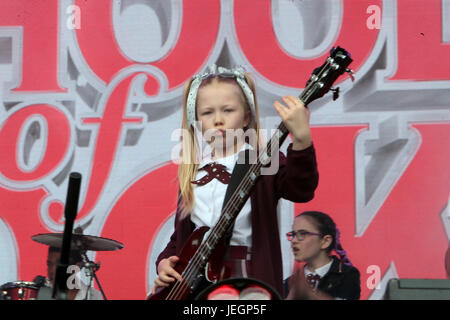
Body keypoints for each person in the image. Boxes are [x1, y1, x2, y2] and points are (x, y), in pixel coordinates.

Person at [152, 64, 319, 298]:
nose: (218, 120)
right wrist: (164, 262)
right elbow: (183, 236)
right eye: (207, 113)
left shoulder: (262, 161)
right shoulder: (193, 173)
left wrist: (301, 140)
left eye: (228, 110)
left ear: (246, 117)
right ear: (196, 121)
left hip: (246, 278)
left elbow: (301, 188)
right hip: (198, 287)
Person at [285, 211, 360, 300]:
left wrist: (309, 293)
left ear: (325, 241)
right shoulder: (289, 282)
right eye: (293, 234)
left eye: (303, 233)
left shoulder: (346, 274)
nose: (294, 240)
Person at [33, 246, 103, 300]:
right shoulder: (39, 292)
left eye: (59, 265)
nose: (51, 271)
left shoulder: (93, 296)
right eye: (49, 264)